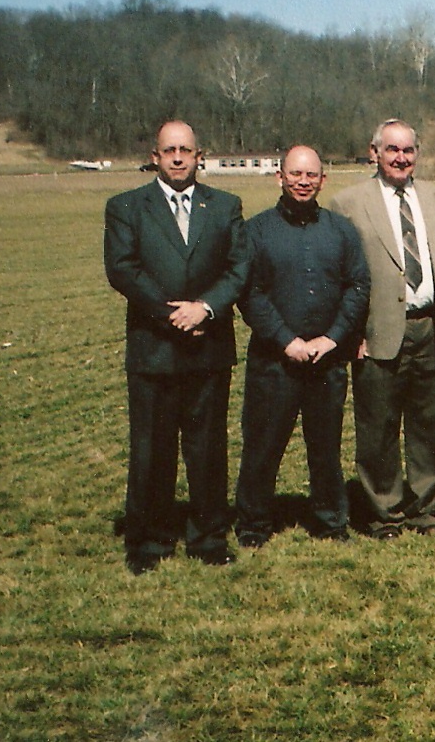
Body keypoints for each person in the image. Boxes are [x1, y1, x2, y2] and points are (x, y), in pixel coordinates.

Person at [104, 120, 249, 574]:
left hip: (208, 349)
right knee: (152, 450)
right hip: (154, 350)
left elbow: (239, 268)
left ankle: (208, 538)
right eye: (170, 150)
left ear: (199, 156)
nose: (179, 158)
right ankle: (150, 541)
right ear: (155, 157)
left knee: (207, 449)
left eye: (186, 150)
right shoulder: (127, 207)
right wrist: (173, 315)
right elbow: (123, 269)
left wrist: (205, 308)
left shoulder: (224, 206)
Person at [332, 119, 435, 538]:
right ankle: (385, 512)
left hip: (429, 329)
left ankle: (427, 509)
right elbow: (340, 275)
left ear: (417, 154)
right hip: (377, 332)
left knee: (428, 425)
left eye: (408, 150)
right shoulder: (348, 203)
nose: (401, 158)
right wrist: (350, 333)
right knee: (378, 427)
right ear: (375, 152)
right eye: (392, 149)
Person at [234, 146, 369, 548]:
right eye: (295, 174)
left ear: (323, 180)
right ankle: (253, 524)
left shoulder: (342, 231)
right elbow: (250, 293)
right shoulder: (256, 231)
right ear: (280, 176)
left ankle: (331, 522)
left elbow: (358, 286)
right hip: (274, 361)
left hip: (327, 361)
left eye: (311, 175)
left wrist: (333, 338)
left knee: (325, 448)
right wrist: (285, 340)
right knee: (262, 446)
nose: (303, 181)